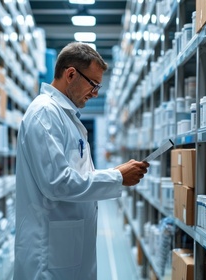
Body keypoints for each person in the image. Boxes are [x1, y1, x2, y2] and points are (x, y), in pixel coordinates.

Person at [13, 42, 150, 280]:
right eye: (94, 84)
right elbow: (56, 182)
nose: (96, 93)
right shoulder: (45, 113)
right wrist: (116, 177)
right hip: (49, 254)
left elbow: (76, 173)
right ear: (71, 74)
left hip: (68, 248)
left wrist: (114, 172)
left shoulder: (66, 117)